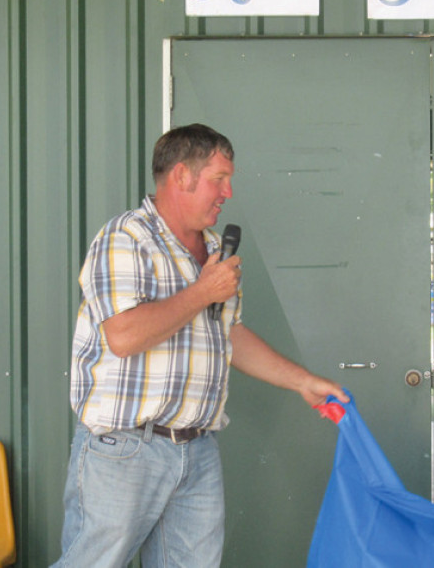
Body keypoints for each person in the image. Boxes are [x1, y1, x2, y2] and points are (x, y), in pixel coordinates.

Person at [53, 123, 348, 567]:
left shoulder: (214, 251)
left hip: (197, 450)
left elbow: (228, 334)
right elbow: (124, 336)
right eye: (218, 179)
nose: (227, 192)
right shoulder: (125, 240)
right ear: (181, 177)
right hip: (126, 448)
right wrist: (201, 291)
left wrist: (302, 381)